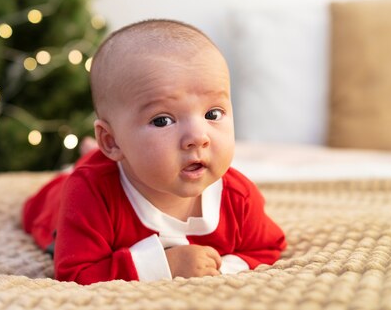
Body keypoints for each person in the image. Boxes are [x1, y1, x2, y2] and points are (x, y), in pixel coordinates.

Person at [22, 19, 286, 285]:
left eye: (212, 114)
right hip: (63, 201)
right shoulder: (89, 193)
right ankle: (89, 158)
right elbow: (76, 273)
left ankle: (94, 152)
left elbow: (267, 247)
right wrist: (165, 265)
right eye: (162, 120)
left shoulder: (237, 196)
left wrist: (223, 268)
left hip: (121, 155)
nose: (198, 137)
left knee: (99, 161)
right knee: (61, 188)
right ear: (111, 141)